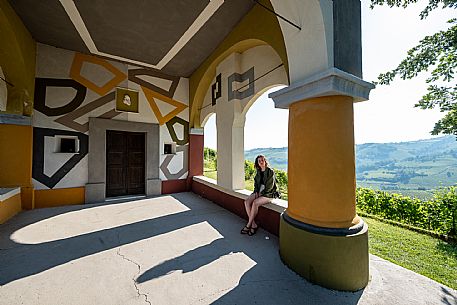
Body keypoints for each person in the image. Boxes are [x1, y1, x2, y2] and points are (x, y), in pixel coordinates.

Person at [241, 155, 279, 236]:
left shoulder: (270, 172)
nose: (261, 162)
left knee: (255, 203)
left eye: (262, 160)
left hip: (269, 194)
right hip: (259, 192)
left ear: (265, 161)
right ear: (257, 163)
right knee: (246, 202)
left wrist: (260, 194)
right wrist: (256, 192)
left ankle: (248, 225)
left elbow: (269, 187)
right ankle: (254, 224)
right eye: (259, 161)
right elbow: (256, 185)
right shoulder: (258, 172)